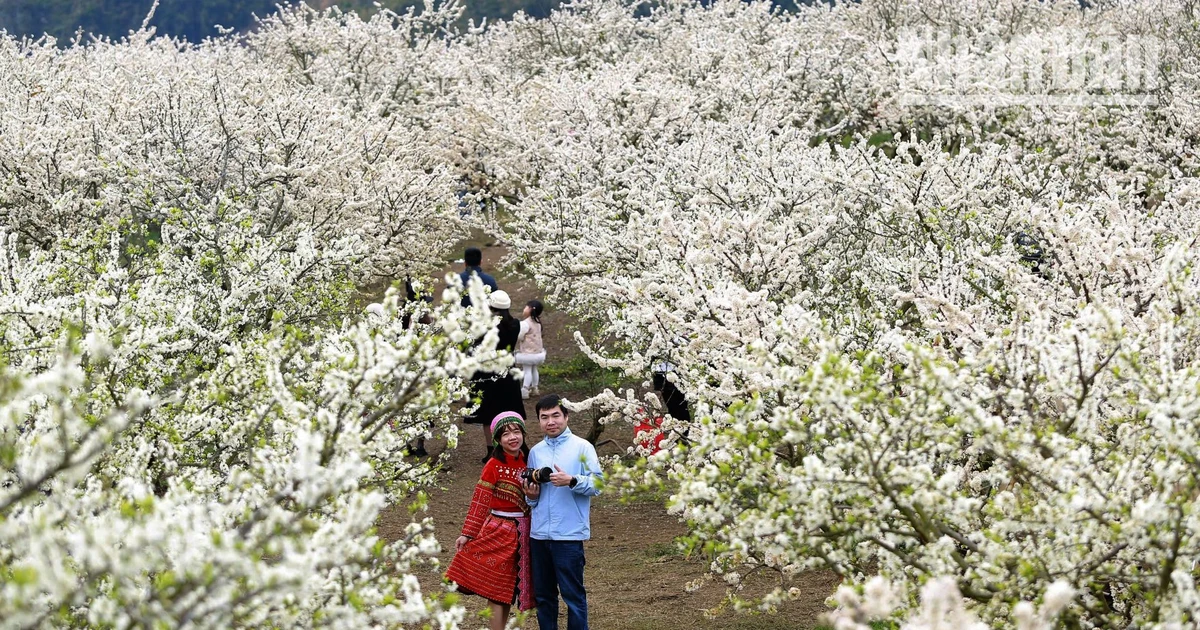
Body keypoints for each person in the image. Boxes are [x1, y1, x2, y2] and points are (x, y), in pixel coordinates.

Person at [445, 412, 536, 629]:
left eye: (516, 432)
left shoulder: (531, 459)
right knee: (498, 591)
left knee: (510, 590)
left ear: (523, 433)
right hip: (500, 531)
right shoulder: (494, 465)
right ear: (497, 439)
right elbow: (480, 501)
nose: (512, 437)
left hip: (527, 531)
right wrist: (468, 533)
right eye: (505, 434)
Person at [522, 394, 601, 630]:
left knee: (573, 597)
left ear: (566, 416)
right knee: (544, 597)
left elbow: (598, 484)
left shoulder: (582, 447)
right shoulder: (535, 451)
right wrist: (531, 497)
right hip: (538, 536)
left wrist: (573, 480)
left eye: (556, 415)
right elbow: (533, 497)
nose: (550, 422)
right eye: (544, 417)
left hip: (568, 536)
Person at [464, 290, 526, 462]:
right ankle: (514, 445)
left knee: (488, 413)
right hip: (508, 370)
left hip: (487, 372)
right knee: (510, 409)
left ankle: (492, 450)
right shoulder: (516, 325)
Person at [515, 299, 547, 400]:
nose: (524, 309)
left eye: (526, 307)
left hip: (528, 352)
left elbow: (520, 336)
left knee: (527, 370)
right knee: (534, 369)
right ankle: (535, 388)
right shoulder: (538, 323)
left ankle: (524, 390)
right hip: (537, 351)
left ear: (530, 309)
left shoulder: (525, 323)